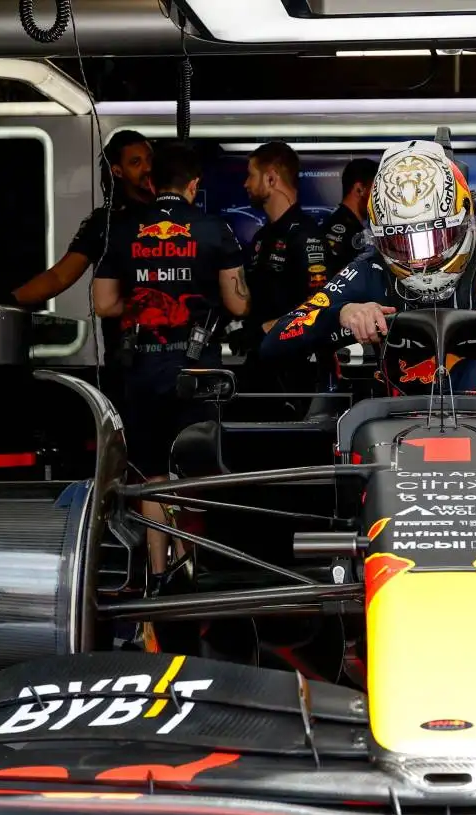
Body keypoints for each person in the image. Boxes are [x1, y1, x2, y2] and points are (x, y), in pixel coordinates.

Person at [257, 139, 476, 394]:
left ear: (463, 218)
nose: (418, 259)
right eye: (401, 242)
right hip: (391, 435)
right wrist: (342, 313)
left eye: (431, 240)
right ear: (380, 238)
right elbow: (273, 344)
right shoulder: (370, 269)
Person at [92, 141, 249, 584]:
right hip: (198, 373)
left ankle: (158, 577)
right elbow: (237, 306)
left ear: (153, 180)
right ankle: (195, 570)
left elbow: (103, 304)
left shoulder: (123, 228)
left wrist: (139, 302)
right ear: (194, 185)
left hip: (142, 370)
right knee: (196, 473)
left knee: (152, 475)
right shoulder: (215, 229)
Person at [12, 130, 153, 306]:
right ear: (118, 171)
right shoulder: (105, 223)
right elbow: (58, 277)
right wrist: (3, 303)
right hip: (129, 331)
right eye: (135, 162)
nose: (148, 168)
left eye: (150, 159)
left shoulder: (178, 214)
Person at [236, 142, 329, 396]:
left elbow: (318, 305)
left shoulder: (306, 235)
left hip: (296, 369)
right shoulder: (261, 238)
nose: (246, 184)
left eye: (250, 175)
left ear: (271, 178)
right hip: (262, 363)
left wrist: (265, 329)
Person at [320, 157, 376, 276]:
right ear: (359, 189)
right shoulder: (339, 228)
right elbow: (333, 278)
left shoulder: (356, 227)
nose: (378, 198)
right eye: (375, 190)